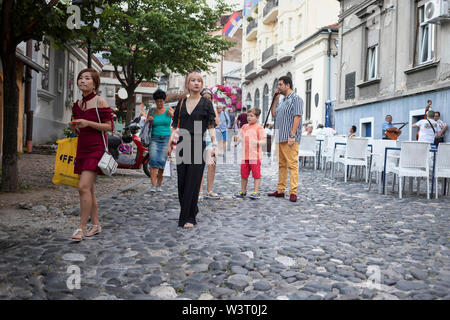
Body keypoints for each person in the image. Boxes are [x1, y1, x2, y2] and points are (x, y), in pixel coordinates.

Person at [166, 71, 217, 229]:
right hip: (182, 143)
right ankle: (191, 209)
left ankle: (188, 217)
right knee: (182, 181)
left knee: (193, 182)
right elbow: (175, 125)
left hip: (198, 144)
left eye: (199, 81)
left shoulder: (206, 103)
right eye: (193, 80)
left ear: (202, 85)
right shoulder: (181, 102)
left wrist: (214, 144)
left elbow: (211, 125)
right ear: (187, 84)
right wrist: (169, 144)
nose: (196, 83)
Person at [68, 68, 114, 241]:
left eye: (87, 78)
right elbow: (80, 131)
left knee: (83, 187)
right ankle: (96, 225)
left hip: (96, 149)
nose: (82, 81)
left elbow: (109, 126)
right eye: (80, 78)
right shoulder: (77, 105)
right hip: (82, 148)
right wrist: (74, 127)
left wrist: (88, 122)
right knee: (90, 190)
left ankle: (80, 227)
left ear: (94, 83)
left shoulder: (99, 101)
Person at [268, 76, 303, 202]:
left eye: (280, 85)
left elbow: (297, 117)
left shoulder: (296, 99)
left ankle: (293, 192)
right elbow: (273, 114)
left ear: (287, 85)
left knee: (292, 165)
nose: (278, 87)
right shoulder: (282, 101)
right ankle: (280, 190)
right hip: (279, 136)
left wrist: (292, 135)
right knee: (281, 165)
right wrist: (275, 99)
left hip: (289, 137)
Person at [233, 108, 266, 199]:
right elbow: (239, 138)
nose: (249, 117)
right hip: (245, 156)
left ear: (257, 117)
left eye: (252, 116)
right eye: (248, 115)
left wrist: (257, 142)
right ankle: (243, 191)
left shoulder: (259, 128)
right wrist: (236, 139)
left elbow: (264, 141)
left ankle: (256, 192)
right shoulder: (244, 127)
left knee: (256, 175)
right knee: (244, 175)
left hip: (255, 156)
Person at [147, 89, 174, 192]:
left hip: (166, 139)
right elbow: (146, 125)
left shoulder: (168, 109)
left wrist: (173, 116)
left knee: (162, 162)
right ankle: (153, 186)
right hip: (154, 138)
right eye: (157, 101)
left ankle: (159, 185)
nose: (159, 103)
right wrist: (149, 121)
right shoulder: (152, 110)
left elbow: (177, 122)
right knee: (153, 161)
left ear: (164, 100)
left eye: (161, 101)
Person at [199, 88, 220, 201]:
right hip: (200, 139)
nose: (207, 100)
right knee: (200, 167)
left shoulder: (212, 109)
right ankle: (200, 191)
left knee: (212, 165)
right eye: (205, 98)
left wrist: (213, 107)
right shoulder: (198, 109)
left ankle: (209, 190)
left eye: (209, 98)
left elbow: (217, 122)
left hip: (210, 140)